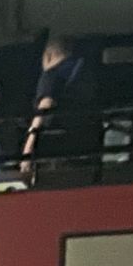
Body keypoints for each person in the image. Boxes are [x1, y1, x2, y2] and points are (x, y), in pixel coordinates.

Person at [22, 32, 94, 181]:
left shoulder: (51, 75)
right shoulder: (81, 74)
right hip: (82, 149)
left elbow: (45, 105)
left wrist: (28, 150)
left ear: (48, 56)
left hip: (54, 152)